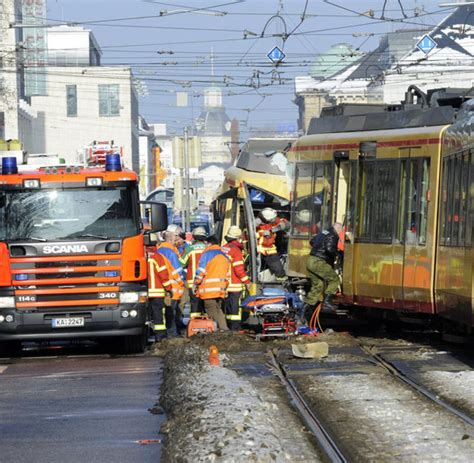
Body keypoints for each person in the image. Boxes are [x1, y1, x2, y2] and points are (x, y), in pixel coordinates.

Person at [193, 235, 230, 331]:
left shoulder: (207, 254)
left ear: (209, 243)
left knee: (211, 311)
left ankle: (216, 331)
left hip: (209, 290)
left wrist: (196, 283)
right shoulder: (224, 255)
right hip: (221, 289)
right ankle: (224, 329)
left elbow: (201, 271)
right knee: (218, 309)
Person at [305, 222, 343, 316]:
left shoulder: (323, 232)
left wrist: (318, 249)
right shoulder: (333, 235)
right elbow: (329, 248)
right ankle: (327, 303)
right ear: (338, 229)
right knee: (334, 279)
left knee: (318, 286)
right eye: (341, 230)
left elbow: (312, 241)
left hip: (311, 260)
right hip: (319, 262)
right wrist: (339, 254)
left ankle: (306, 310)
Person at [153, 231, 186, 337]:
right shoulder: (171, 252)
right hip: (172, 287)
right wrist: (181, 282)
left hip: (161, 285)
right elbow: (177, 270)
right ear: (171, 240)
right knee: (171, 312)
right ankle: (173, 334)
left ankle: (169, 332)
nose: (175, 242)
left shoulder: (158, 251)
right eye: (174, 240)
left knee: (165, 311)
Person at [222, 226, 252, 330]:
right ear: (237, 238)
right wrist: (247, 282)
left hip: (225, 283)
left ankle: (228, 325)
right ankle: (235, 327)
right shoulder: (236, 251)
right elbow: (239, 270)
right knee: (235, 308)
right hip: (234, 284)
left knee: (228, 307)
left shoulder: (224, 248)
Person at [180, 226, 208, 319]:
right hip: (206, 282)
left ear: (194, 237)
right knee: (205, 305)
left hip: (192, 282)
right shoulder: (208, 248)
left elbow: (181, 263)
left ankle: (194, 323)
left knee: (195, 304)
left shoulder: (189, 249)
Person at [256, 207, 289, 280]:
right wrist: (263, 234)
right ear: (267, 219)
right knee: (257, 269)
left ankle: (281, 281)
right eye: (272, 219)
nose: (274, 220)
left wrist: (275, 229)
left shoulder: (272, 218)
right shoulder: (255, 224)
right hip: (259, 250)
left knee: (279, 270)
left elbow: (285, 224)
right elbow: (249, 235)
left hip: (270, 248)